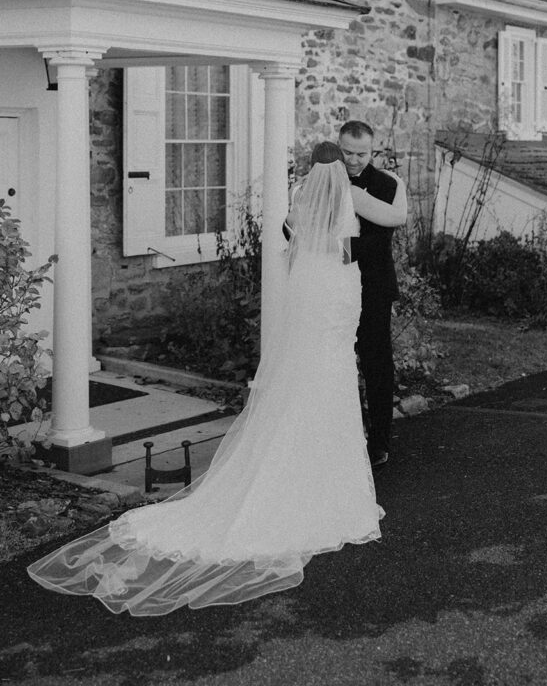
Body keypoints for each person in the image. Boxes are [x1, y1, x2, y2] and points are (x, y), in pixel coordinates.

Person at [27, 141, 406, 615]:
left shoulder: (300, 197)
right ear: (338, 168)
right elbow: (354, 251)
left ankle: (290, 468)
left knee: (303, 383)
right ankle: (329, 486)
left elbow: (290, 243)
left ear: (311, 170)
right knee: (332, 385)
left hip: (310, 301)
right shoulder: (347, 203)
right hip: (338, 301)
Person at [338, 120, 407, 471]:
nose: (353, 160)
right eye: (347, 152)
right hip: (332, 288)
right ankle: (339, 437)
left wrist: (329, 250)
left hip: (373, 288)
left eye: (361, 153)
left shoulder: (385, 185)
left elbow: (377, 241)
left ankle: (379, 441)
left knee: (376, 363)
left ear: (372, 150)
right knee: (334, 363)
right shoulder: (326, 180)